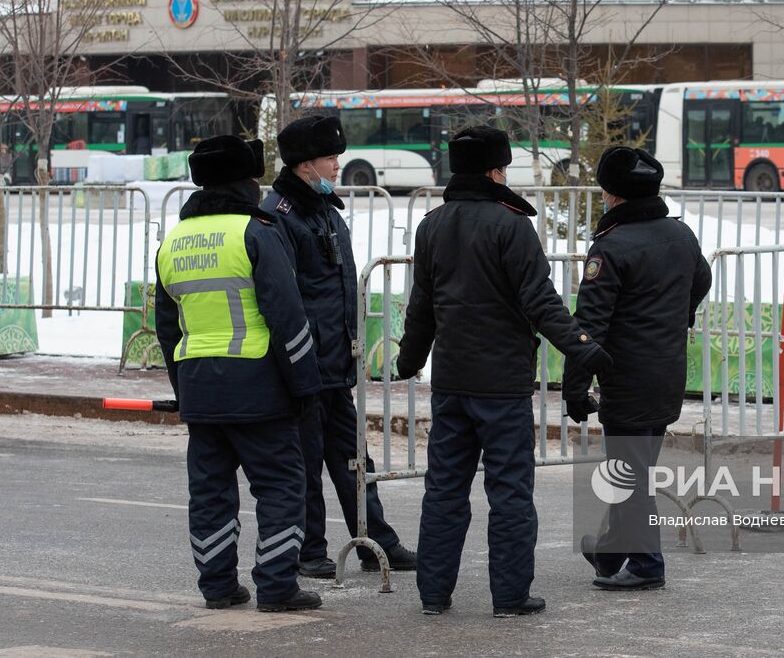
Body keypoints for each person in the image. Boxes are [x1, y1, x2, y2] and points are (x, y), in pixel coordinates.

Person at [395, 125, 613, 619]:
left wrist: (410, 359)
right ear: (495, 171)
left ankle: (434, 594)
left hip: (450, 383)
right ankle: (511, 596)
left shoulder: (431, 224)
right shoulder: (510, 225)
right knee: (510, 492)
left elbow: (422, 305)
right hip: (503, 387)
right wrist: (582, 346)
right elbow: (540, 302)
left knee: (444, 490)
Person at [154, 134, 324, 613]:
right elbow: (287, 318)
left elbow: (168, 331)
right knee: (281, 486)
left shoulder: (173, 241)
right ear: (244, 181)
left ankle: (217, 586)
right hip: (259, 388)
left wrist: (183, 389)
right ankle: (276, 586)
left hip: (200, 390)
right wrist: (306, 385)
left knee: (210, 491)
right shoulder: (256, 233)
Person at [261, 114, 416, 579]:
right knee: (306, 467)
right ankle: (309, 552)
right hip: (304, 368)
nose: (336, 166)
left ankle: (375, 544)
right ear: (304, 164)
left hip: (335, 365)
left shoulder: (325, 209)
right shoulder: (279, 215)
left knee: (355, 462)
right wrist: (300, 363)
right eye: (330, 157)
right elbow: (283, 300)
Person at [564, 146, 712, 591]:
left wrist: (574, 388)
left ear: (611, 195)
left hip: (627, 379)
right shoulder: (679, 235)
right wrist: (674, 318)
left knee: (628, 477)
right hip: (667, 373)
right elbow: (701, 280)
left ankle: (647, 564)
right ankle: (609, 553)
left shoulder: (611, 248)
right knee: (635, 469)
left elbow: (588, 327)